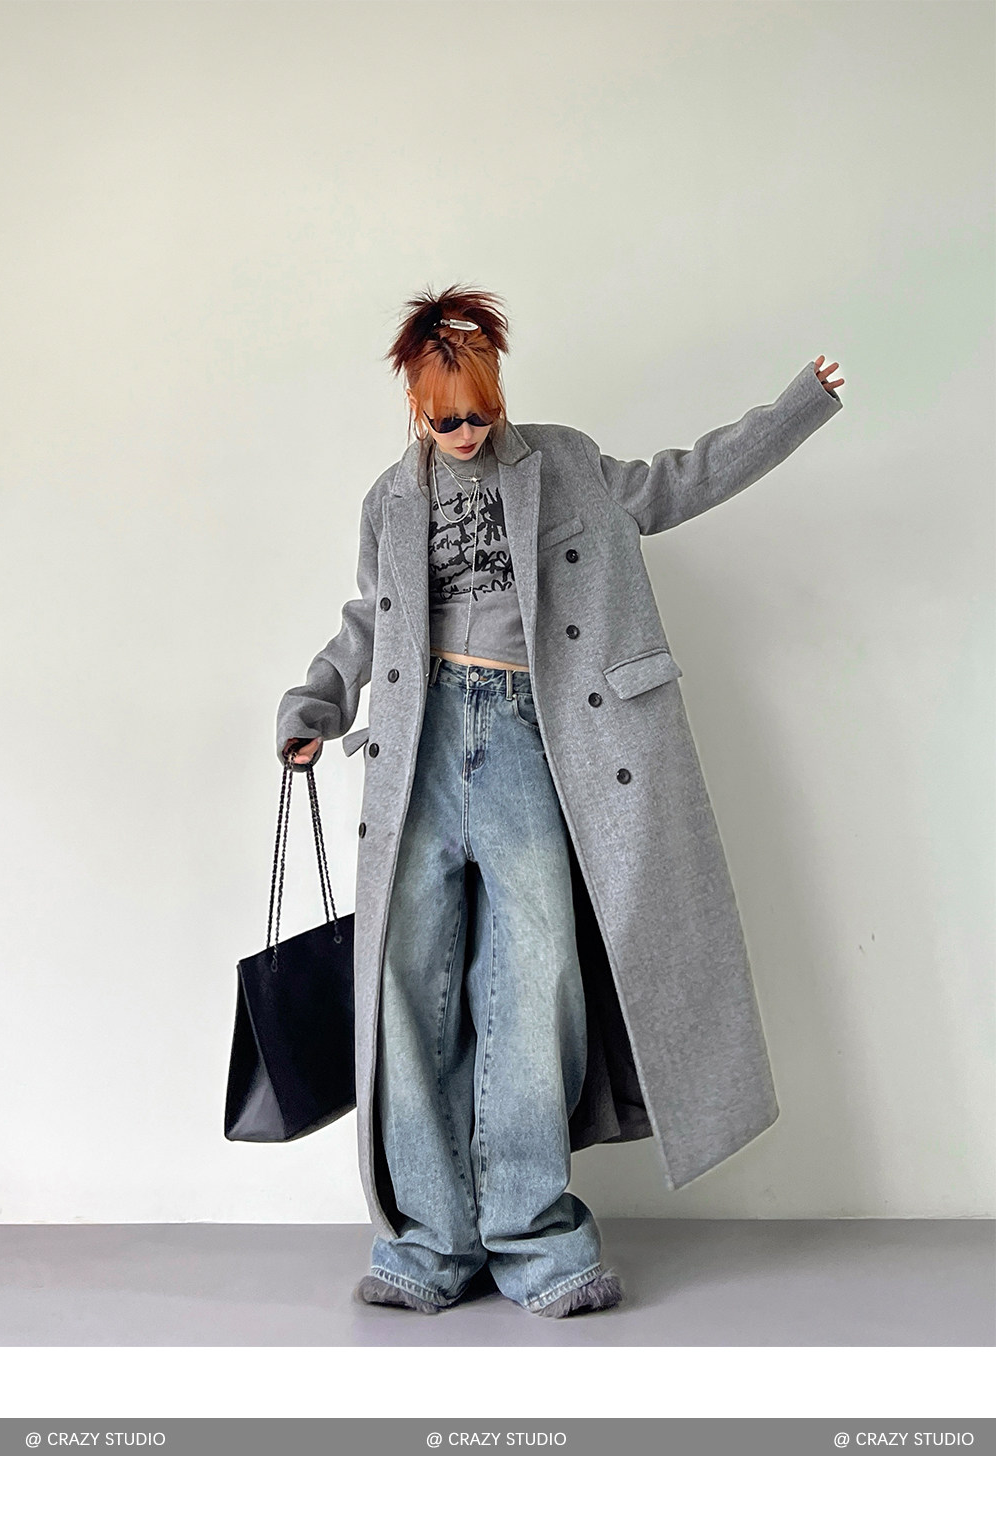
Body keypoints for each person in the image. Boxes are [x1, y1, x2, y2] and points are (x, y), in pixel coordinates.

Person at [278, 283, 845, 1318]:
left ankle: (533, 1235)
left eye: (479, 413)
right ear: (415, 408)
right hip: (416, 746)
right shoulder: (388, 501)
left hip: (529, 736)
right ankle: (427, 1242)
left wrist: (796, 404)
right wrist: (315, 702)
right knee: (406, 989)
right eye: (445, 419)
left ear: (499, 395)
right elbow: (368, 618)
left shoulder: (566, 464)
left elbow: (676, 481)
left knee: (535, 984)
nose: (464, 433)